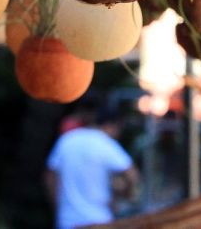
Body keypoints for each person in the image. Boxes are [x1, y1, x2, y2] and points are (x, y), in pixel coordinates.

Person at [45, 94, 138, 229]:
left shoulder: (67, 139)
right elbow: (132, 174)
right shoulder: (105, 144)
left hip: (67, 220)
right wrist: (125, 193)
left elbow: (50, 177)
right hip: (98, 219)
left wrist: (58, 207)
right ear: (112, 126)